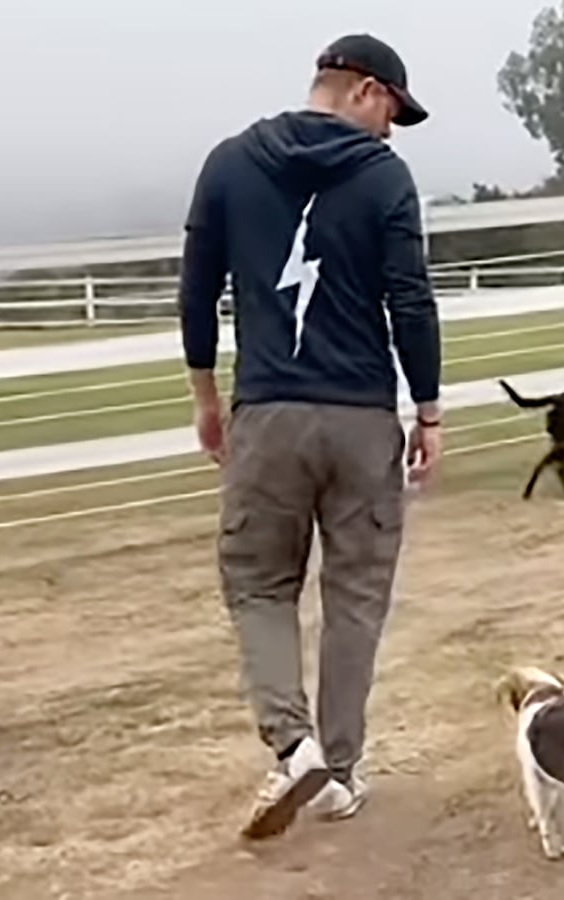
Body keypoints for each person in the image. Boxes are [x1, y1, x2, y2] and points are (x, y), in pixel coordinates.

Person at [176, 32, 443, 841]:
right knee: (356, 597)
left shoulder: (228, 163)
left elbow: (195, 292)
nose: (391, 131)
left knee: (259, 582)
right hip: (362, 416)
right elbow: (410, 300)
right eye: (392, 110)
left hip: (268, 411)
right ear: (364, 90)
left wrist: (206, 396)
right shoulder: (385, 177)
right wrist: (427, 409)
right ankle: (340, 769)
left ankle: (293, 747)